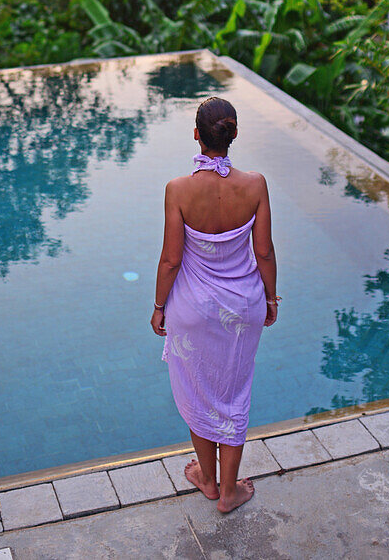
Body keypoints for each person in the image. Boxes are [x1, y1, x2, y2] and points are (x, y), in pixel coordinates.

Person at [151, 95, 279, 514]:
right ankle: (229, 492)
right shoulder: (256, 184)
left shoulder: (178, 190)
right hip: (243, 309)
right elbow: (263, 253)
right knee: (234, 394)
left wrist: (158, 306)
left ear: (196, 135)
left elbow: (171, 259)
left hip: (192, 311)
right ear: (234, 134)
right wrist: (270, 298)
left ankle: (207, 480)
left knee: (198, 390)